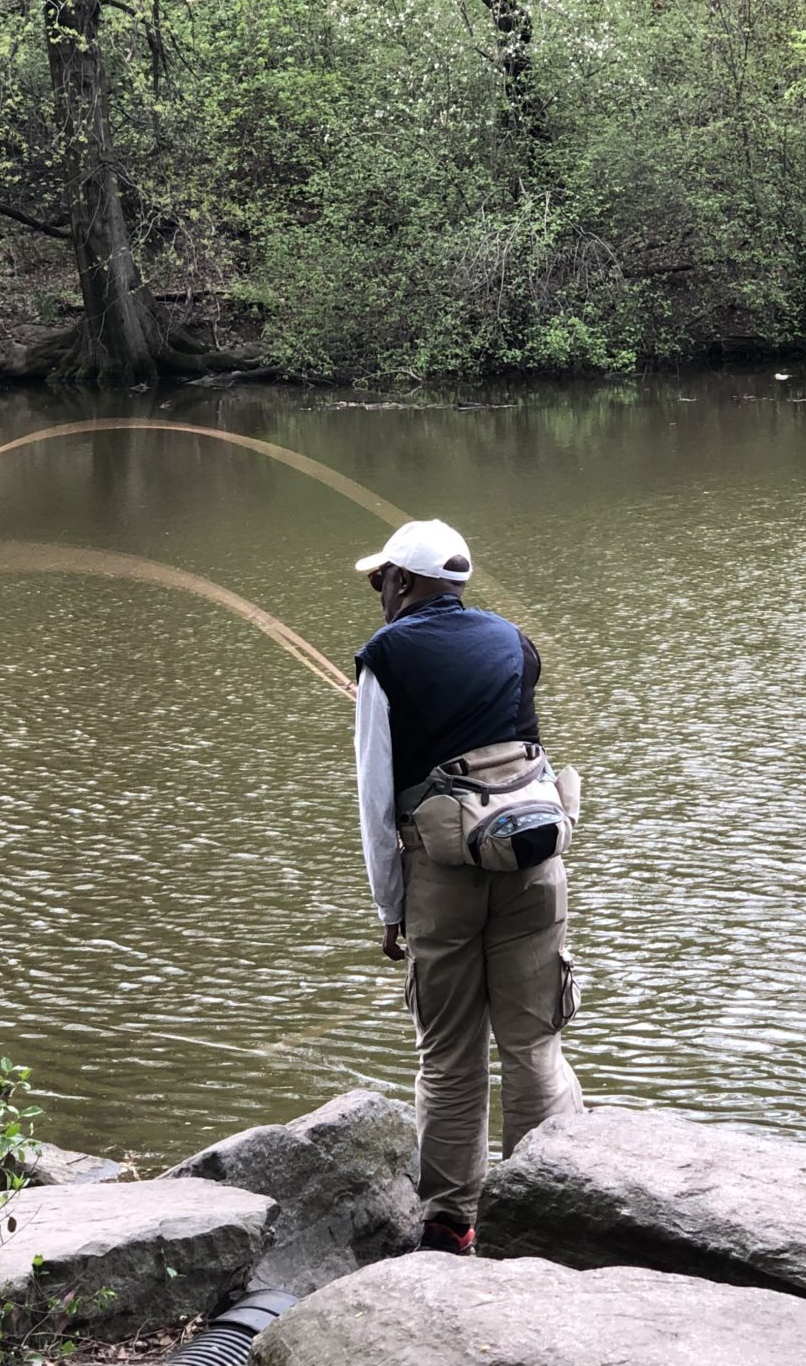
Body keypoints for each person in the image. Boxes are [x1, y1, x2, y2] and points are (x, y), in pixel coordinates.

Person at [352, 518, 583, 1257]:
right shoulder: (515, 641)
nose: (377, 592)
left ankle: (452, 1224)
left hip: (443, 877)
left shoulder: (384, 656)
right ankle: (554, 1206)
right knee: (534, 1043)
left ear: (408, 583)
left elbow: (375, 801)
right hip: (534, 866)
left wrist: (390, 908)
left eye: (382, 579)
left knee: (450, 1055)